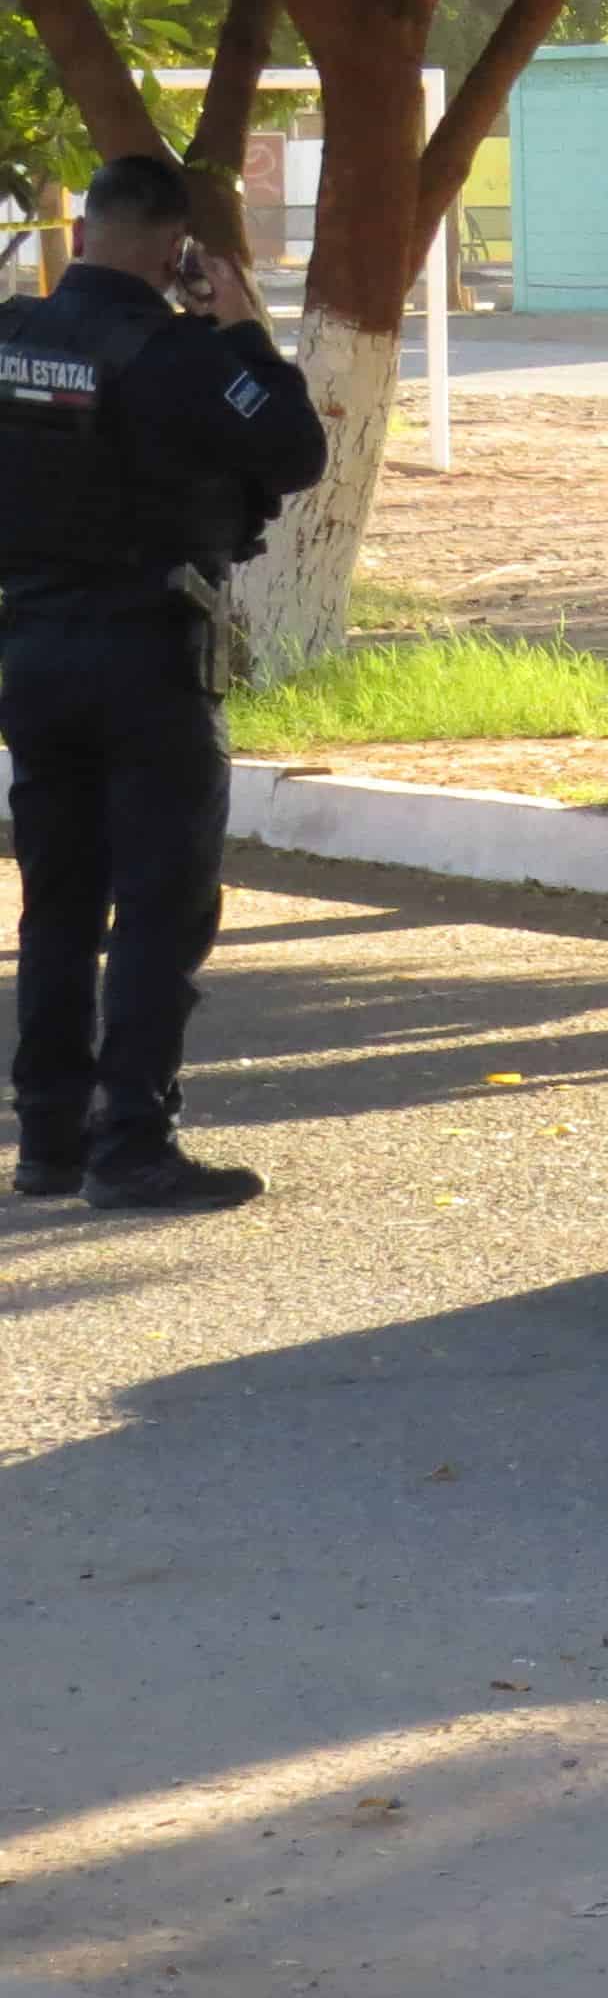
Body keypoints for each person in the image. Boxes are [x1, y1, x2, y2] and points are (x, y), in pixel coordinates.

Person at [0, 154, 326, 1211]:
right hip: (147, 653)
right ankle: (131, 1142)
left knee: (58, 897)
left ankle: (48, 1137)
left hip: (32, 648)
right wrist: (239, 328)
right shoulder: (180, 356)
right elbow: (294, 449)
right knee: (158, 904)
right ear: (173, 248)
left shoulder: (11, 340)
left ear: (85, 232)